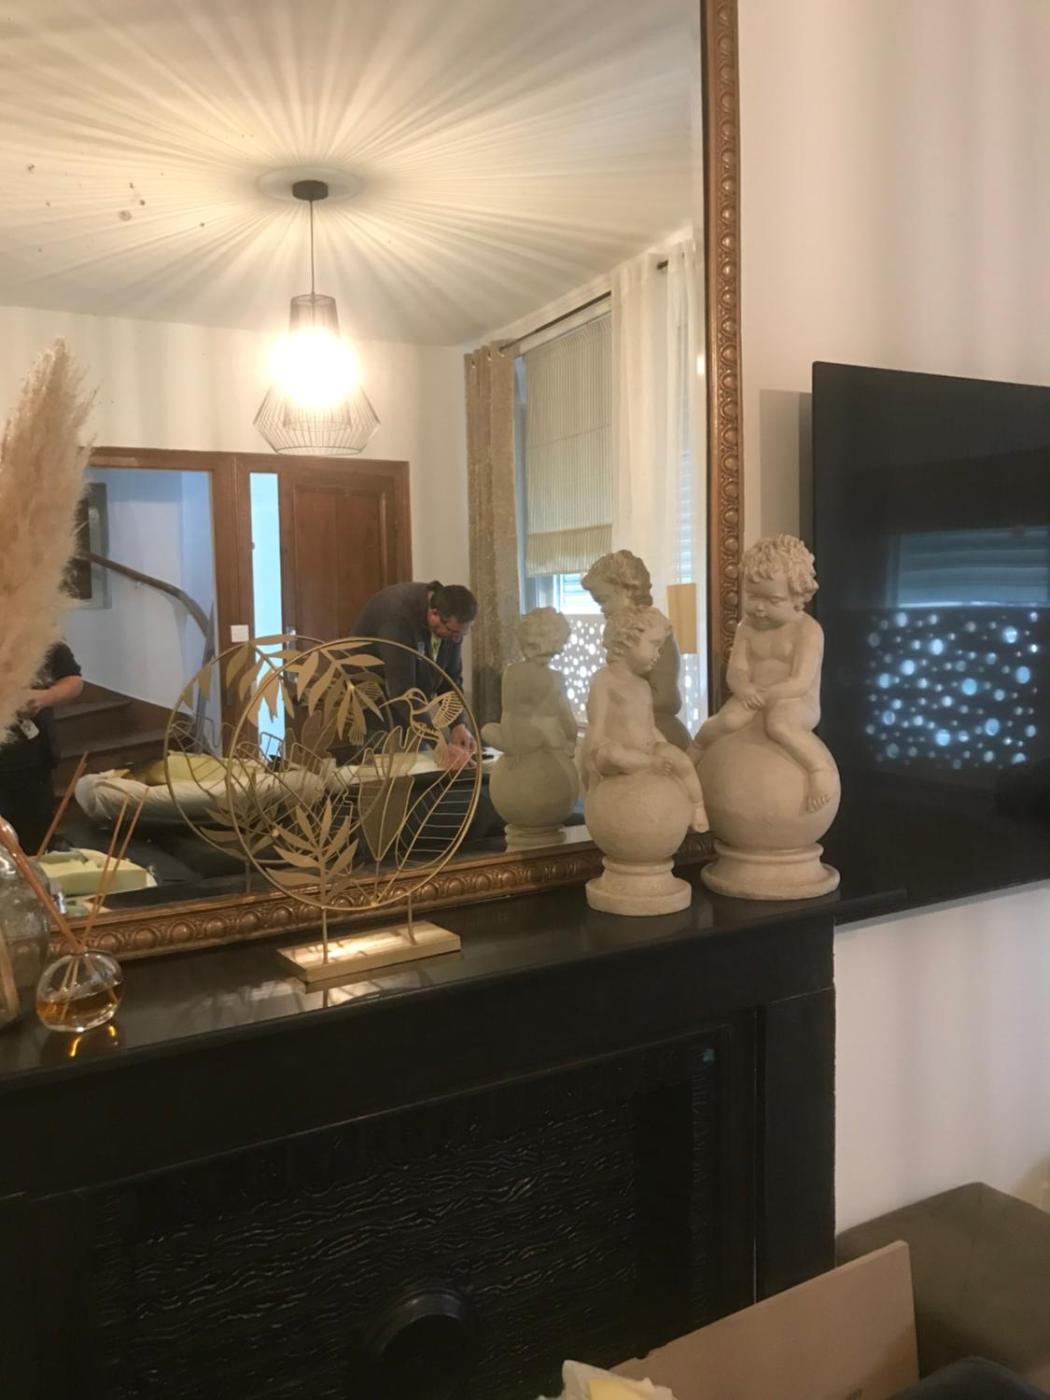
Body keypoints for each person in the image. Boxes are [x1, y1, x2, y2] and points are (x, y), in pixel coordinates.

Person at [693, 534, 836, 812]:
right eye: (752, 596)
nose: (759, 607)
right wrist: (744, 689)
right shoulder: (746, 627)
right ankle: (695, 751)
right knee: (727, 720)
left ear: (797, 597)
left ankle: (819, 770)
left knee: (779, 724)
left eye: (773, 600)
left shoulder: (808, 630)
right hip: (753, 696)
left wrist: (767, 696)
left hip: (795, 702)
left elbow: (800, 682)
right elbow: (737, 670)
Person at [581, 606, 707, 832]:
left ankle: (697, 806)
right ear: (625, 641)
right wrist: (590, 763)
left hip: (646, 750)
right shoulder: (604, 680)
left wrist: (663, 746)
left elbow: (649, 725)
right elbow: (596, 723)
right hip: (614, 752)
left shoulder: (642, 685)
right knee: (614, 754)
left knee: (682, 761)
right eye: (654, 645)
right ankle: (649, 764)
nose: (658, 654)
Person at [351, 580, 478, 769]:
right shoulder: (397, 617)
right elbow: (402, 693)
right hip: (374, 704)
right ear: (434, 615)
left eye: (462, 634)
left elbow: (450, 678)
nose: (457, 639)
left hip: (410, 705)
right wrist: (440, 745)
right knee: (392, 775)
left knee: (424, 765)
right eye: (454, 633)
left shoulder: (451, 623)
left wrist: (458, 725)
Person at [0, 640, 84, 852]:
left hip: (32, 760)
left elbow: (73, 679)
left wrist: (44, 697)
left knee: (34, 843)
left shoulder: (35, 630)